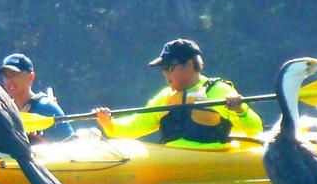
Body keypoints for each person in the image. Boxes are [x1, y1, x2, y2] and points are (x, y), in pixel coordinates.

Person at [92, 38, 263, 148]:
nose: (165, 74)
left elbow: (254, 129)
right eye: (163, 69)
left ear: (189, 65)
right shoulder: (166, 97)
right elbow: (137, 125)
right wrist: (109, 124)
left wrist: (240, 110)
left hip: (213, 158)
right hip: (174, 158)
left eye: (169, 68)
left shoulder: (218, 90)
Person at [0, 52, 74, 142]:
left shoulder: (46, 107)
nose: (9, 80)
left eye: (14, 74)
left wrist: (36, 139)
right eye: (6, 75)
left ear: (31, 77)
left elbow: (71, 144)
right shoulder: (4, 111)